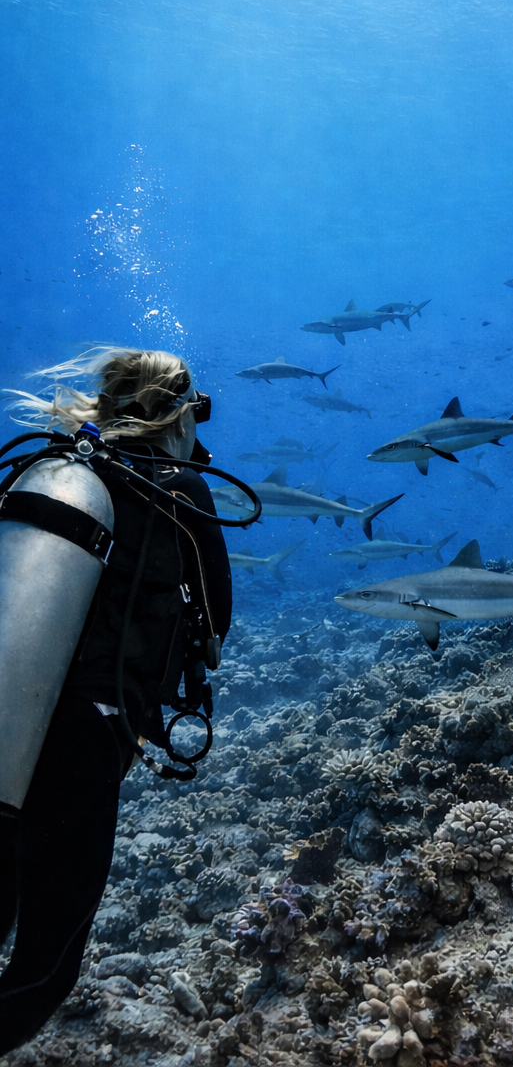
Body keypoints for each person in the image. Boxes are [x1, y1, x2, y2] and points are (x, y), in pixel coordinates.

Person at [0, 349, 232, 1051]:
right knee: (44, 966)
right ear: (179, 412)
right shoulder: (177, 488)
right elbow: (214, 621)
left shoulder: (43, 469)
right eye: (198, 412)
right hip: (80, 748)